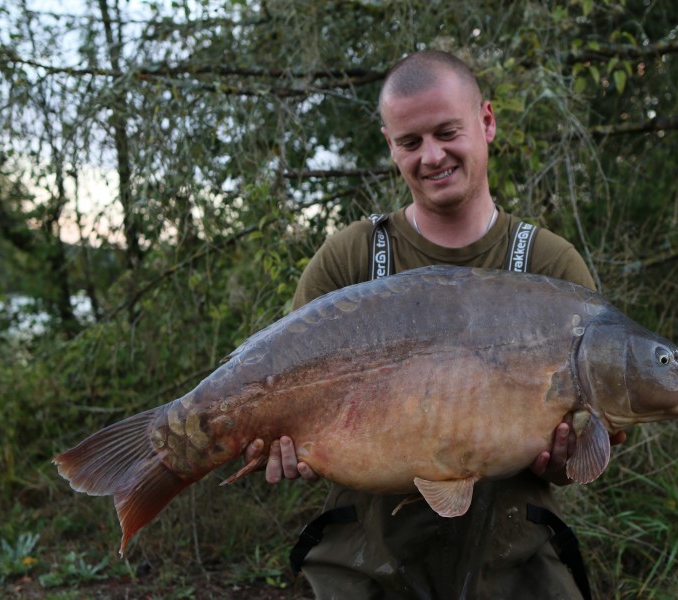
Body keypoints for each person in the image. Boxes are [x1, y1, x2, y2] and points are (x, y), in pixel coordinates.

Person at [245, 50, 624, 599]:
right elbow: (283, 388)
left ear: (486, 122)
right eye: (410, 142)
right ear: (389, 145)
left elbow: (578, 452)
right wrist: (282, 443)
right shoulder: (349, 259)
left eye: (448, 132)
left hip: (513, 559)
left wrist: (567, 462)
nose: (432, 156)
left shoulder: (549, 265)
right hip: (366, 558)